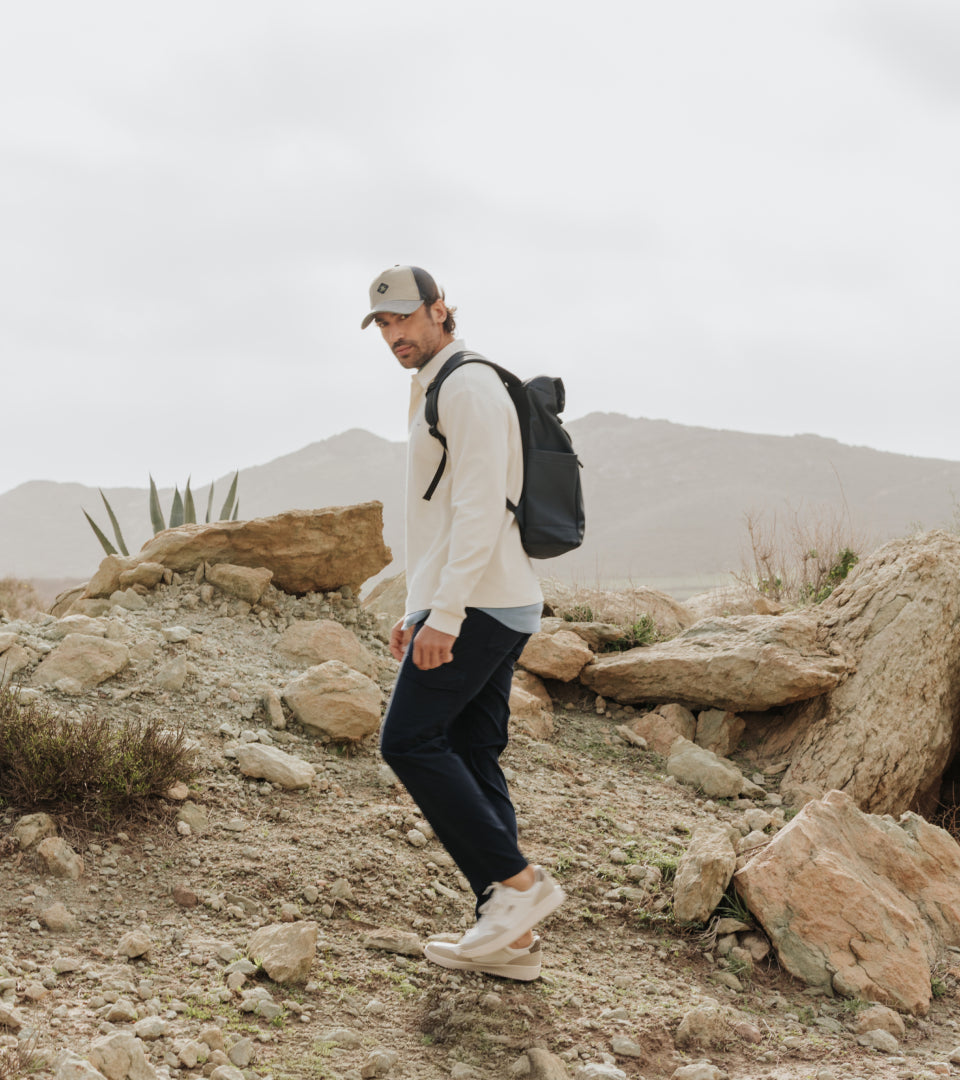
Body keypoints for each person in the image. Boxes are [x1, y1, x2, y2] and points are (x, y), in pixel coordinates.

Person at [363, 265, 565, 981]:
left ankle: (519, 887)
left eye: (405, 318)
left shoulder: (467, 384)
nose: (395, 334)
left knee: (409, 741)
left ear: (440, 309)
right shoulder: (435, 384)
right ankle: (511, 942)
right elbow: (440, 514)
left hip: (481, 603)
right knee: (472, 752)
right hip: (480, 598)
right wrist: (419, 607)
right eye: (383, 324)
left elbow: (483, 507)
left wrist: (445, 615)